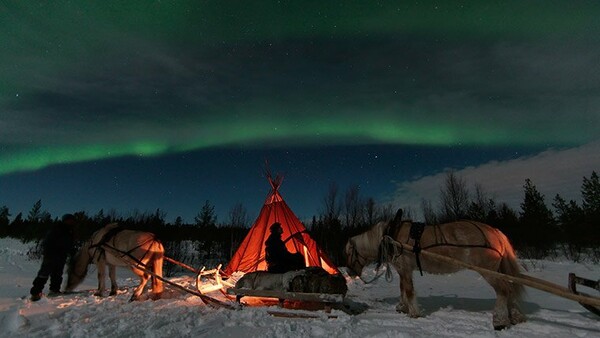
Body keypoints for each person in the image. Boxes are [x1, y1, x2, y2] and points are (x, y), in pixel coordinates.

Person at [30, 213, 76, 301]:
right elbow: (47, 242)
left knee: (57, 275)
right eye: (69, 220)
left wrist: (72, 252)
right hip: (51, 256)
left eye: (72, 221)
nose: (71, 222)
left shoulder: (70, 232)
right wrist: (50, 252)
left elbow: (69, 245)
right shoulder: (56, 229)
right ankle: (35, 293)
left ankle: (54, 291)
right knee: (44, 274)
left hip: (61, 257)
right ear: (65, 220)